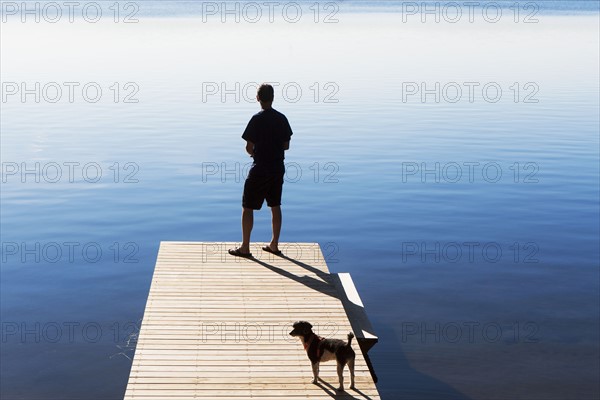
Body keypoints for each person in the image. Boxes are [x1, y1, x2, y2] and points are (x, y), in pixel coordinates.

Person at [228, 83, 293, 258]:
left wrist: (256, 153)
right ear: (272, 98)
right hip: (277, 168)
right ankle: (274, 244)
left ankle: (245, 248)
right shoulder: (282, 119)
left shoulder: (256, 119)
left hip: (260, 169)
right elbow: (286, 145)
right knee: (275, 205)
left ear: (258, 98)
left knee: (247, 206)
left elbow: (249, 148)